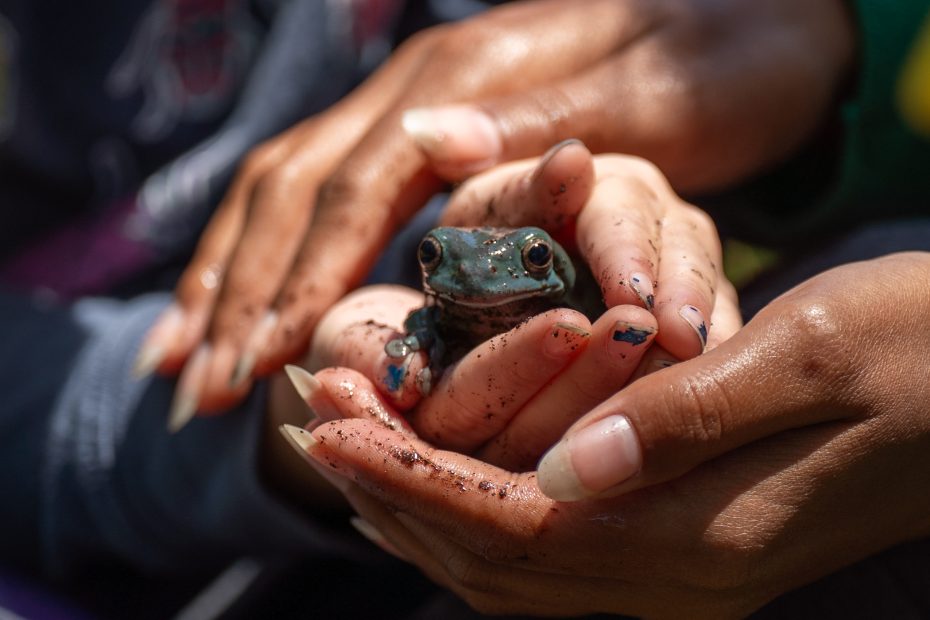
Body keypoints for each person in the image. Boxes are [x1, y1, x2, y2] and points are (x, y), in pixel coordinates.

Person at [278, 2, 930, 618]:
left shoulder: (575, 282)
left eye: (533, 259)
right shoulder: (439, 300)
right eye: (435, 257)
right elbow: (423, 314)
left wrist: (842, 28)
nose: (479, 275)